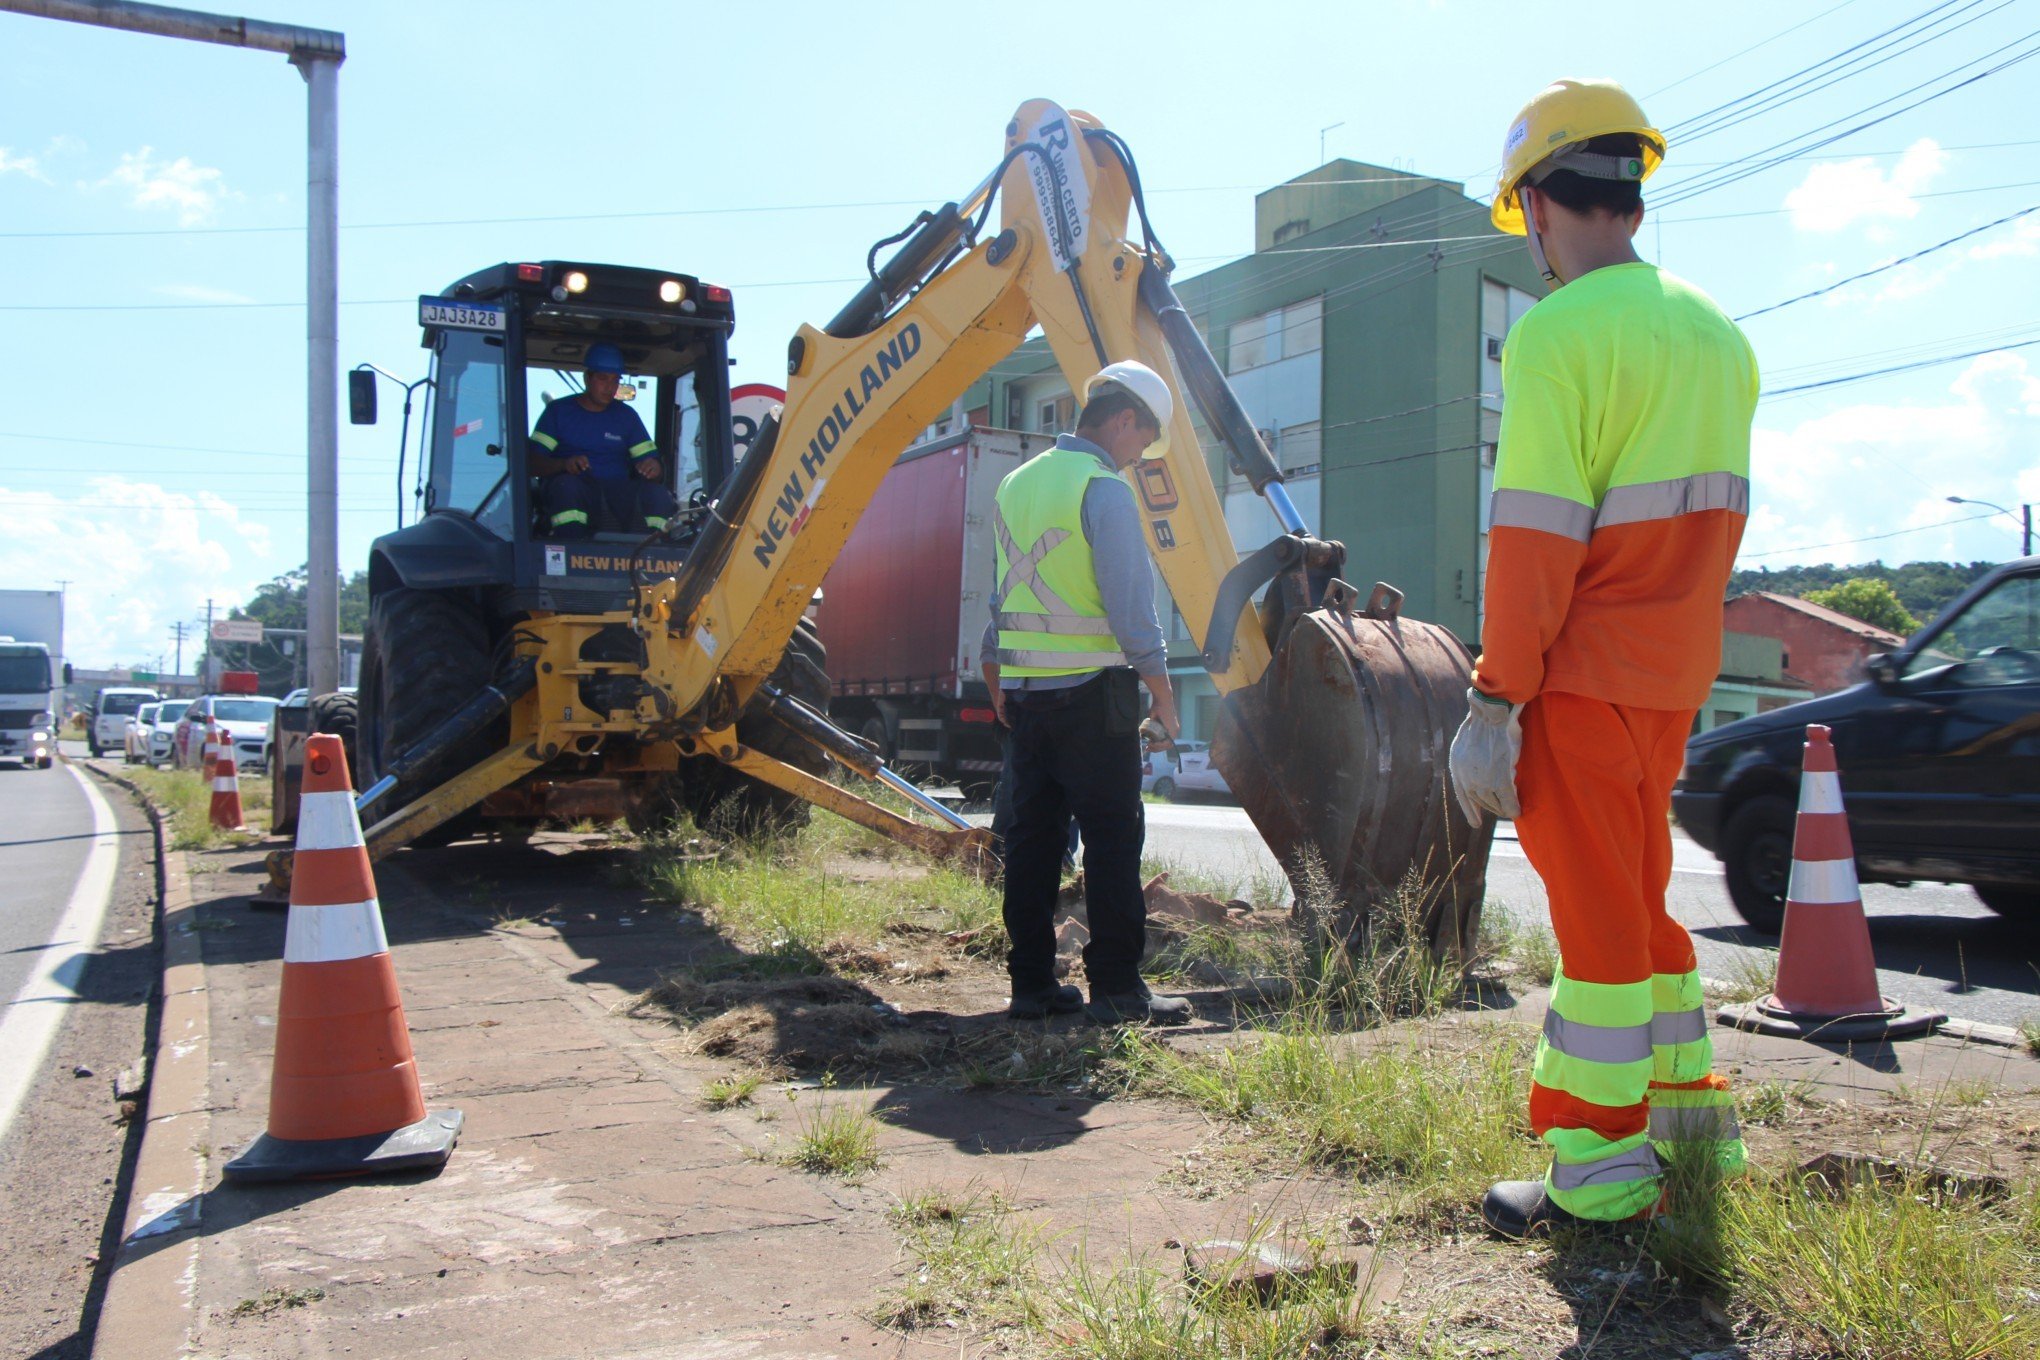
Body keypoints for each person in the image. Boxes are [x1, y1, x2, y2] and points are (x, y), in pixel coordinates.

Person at [1452, 78, 1755, 1239]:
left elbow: (1534, 539)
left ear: (1537, 201)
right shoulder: (1719, 337)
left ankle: (1600, 1171)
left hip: (1579, 679)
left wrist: (1495, 696)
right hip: (1674, 676)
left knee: (1596, 936)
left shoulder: (1558, 335)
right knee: (1642, 909)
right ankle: (1689, 1128)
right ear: (1629, 185)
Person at [982, 360, 1188, 1025]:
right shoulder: (1103, 489)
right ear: (1123, 420)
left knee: (1033, 844)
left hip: (1025, 700)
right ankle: (1120, 989)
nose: (1137, 458)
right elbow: (1133, 614)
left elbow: (1000, 603)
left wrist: (999, 684)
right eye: (1142, 442)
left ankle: (1032, 986)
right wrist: (1164, 696)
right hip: (1095, 700)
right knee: (1111, 841)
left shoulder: (1015, 484)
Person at [529, 342, 677, 539]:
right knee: (567, 488)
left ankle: (654, 555)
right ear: (587, 378)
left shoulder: (626, 417)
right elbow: (533, 463)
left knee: (658, 495)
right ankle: (573, 551)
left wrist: (654, 468)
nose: (610, 387)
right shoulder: (558, 412)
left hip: (618, 494)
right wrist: (564, 464)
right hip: (575, 490)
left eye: (615, 380)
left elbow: (655, 468)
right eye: (603, 378)